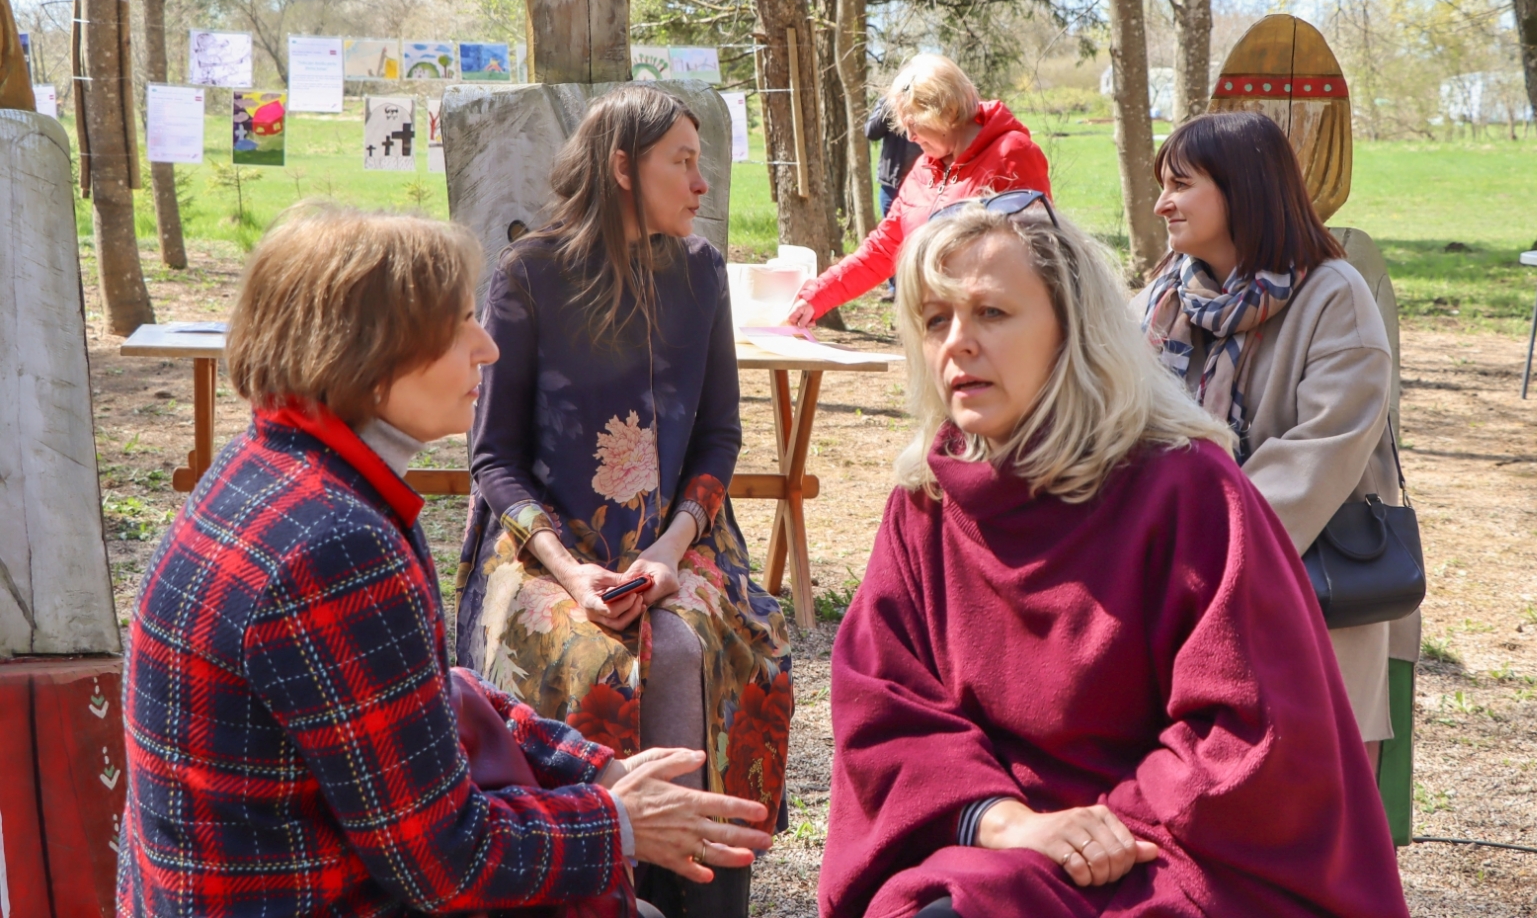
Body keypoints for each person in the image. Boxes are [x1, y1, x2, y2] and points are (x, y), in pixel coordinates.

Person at [117, 205, 772, 918]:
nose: (486, 347)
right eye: (460, 322)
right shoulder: (338, 545)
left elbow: (431, 690)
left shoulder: (267, 473)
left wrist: (595, 765)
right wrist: (618, 822)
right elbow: (447, 860)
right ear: (371, 351)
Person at [818, 201, 1409, 918]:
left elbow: (1247, 734)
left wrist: (1098, 829)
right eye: (936, 318)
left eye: (992, 314)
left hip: (1168, 850)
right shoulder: (926, 503)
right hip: (992, 839)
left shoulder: (1185, 488)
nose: (958, 344)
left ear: (1072, 330)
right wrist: (1005, 821)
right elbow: (886, 702)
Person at [455, 85, 792, 918]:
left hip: (682, 538)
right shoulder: (528, 274)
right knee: (596, 655)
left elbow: (719, 437)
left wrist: (671, 552)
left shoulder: (703, 273)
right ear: (621, 167)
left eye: (700, 162)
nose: (701, 183)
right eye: (682, 161)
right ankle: (607, 883)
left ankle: (706, 893)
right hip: (544, 544)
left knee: (710, 647)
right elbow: (492, 457)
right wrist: (572, 575)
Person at [1131, 109, 1412, 767]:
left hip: (1299, 600)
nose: (1160, 202)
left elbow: (1321, 454)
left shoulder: (1334, 296)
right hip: (1174, 598)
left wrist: (1198, 547)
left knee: (1313, 821)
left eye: (1180, 184)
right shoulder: (1160, 302)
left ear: (1243, 188)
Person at [786, 53, 1050, 326]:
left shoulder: (1012, 154)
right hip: (935, 331)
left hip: (992, 338)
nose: (909, 137)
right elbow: (883, 249)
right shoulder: (923, 168)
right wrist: (816, 297)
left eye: (914, 125)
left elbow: (1039, 256)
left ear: (948, 112)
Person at [866, 95, 922, 218]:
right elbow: (871, 132)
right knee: (891, 231)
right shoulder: (889, 101)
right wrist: (891, 105)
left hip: (923, 184)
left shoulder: (928, 100)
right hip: (892, 184)